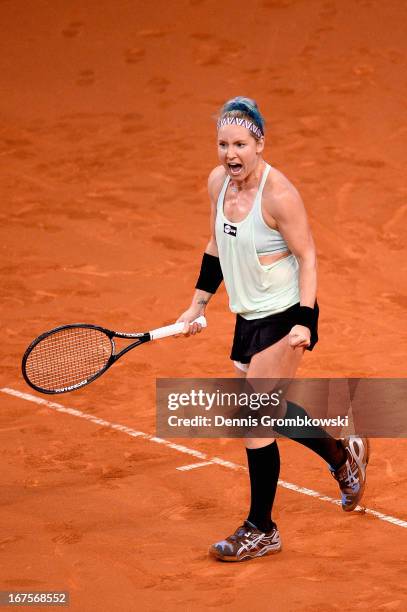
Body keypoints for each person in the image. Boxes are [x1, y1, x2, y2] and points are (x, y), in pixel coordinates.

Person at [176, 97, 369, 562]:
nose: (230, 153)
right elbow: (215, 243)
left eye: (240, 143)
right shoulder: (218, 184)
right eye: (223, 144)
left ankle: (262, 528)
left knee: (252, 415)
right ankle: (343, 458)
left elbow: (308, 257)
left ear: (260, 143)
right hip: (249, 315)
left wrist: (305, 320)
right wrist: (197, 303)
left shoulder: (279, 194)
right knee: (272, 409)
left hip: (286, 314)